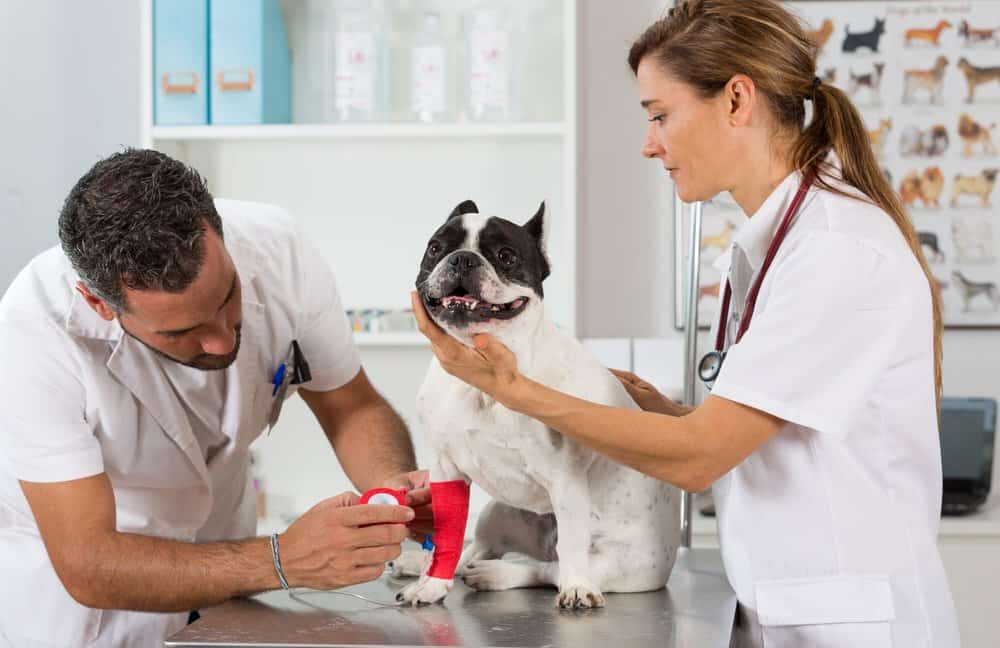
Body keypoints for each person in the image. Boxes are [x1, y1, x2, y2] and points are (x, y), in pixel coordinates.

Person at [410, 1, 960, 646]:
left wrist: (514, 390)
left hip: (851, 621)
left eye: (660, 115)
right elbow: (765, 442)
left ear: (736, 99)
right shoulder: (772, 245)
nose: (650, 143)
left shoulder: (835, 249)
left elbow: (703, 458)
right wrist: (658, 414)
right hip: (787, 604)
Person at [0, 149, 431, 647]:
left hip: (230, 590)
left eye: (227, 298)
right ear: (99, 304)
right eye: (185, 331)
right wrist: (282, 559)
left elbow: (351, 405)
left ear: (219, 232)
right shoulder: (31, 336)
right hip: (97, 618)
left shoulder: (279, 248)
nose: (224, 341)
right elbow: (87, 561)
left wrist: (392, 492)